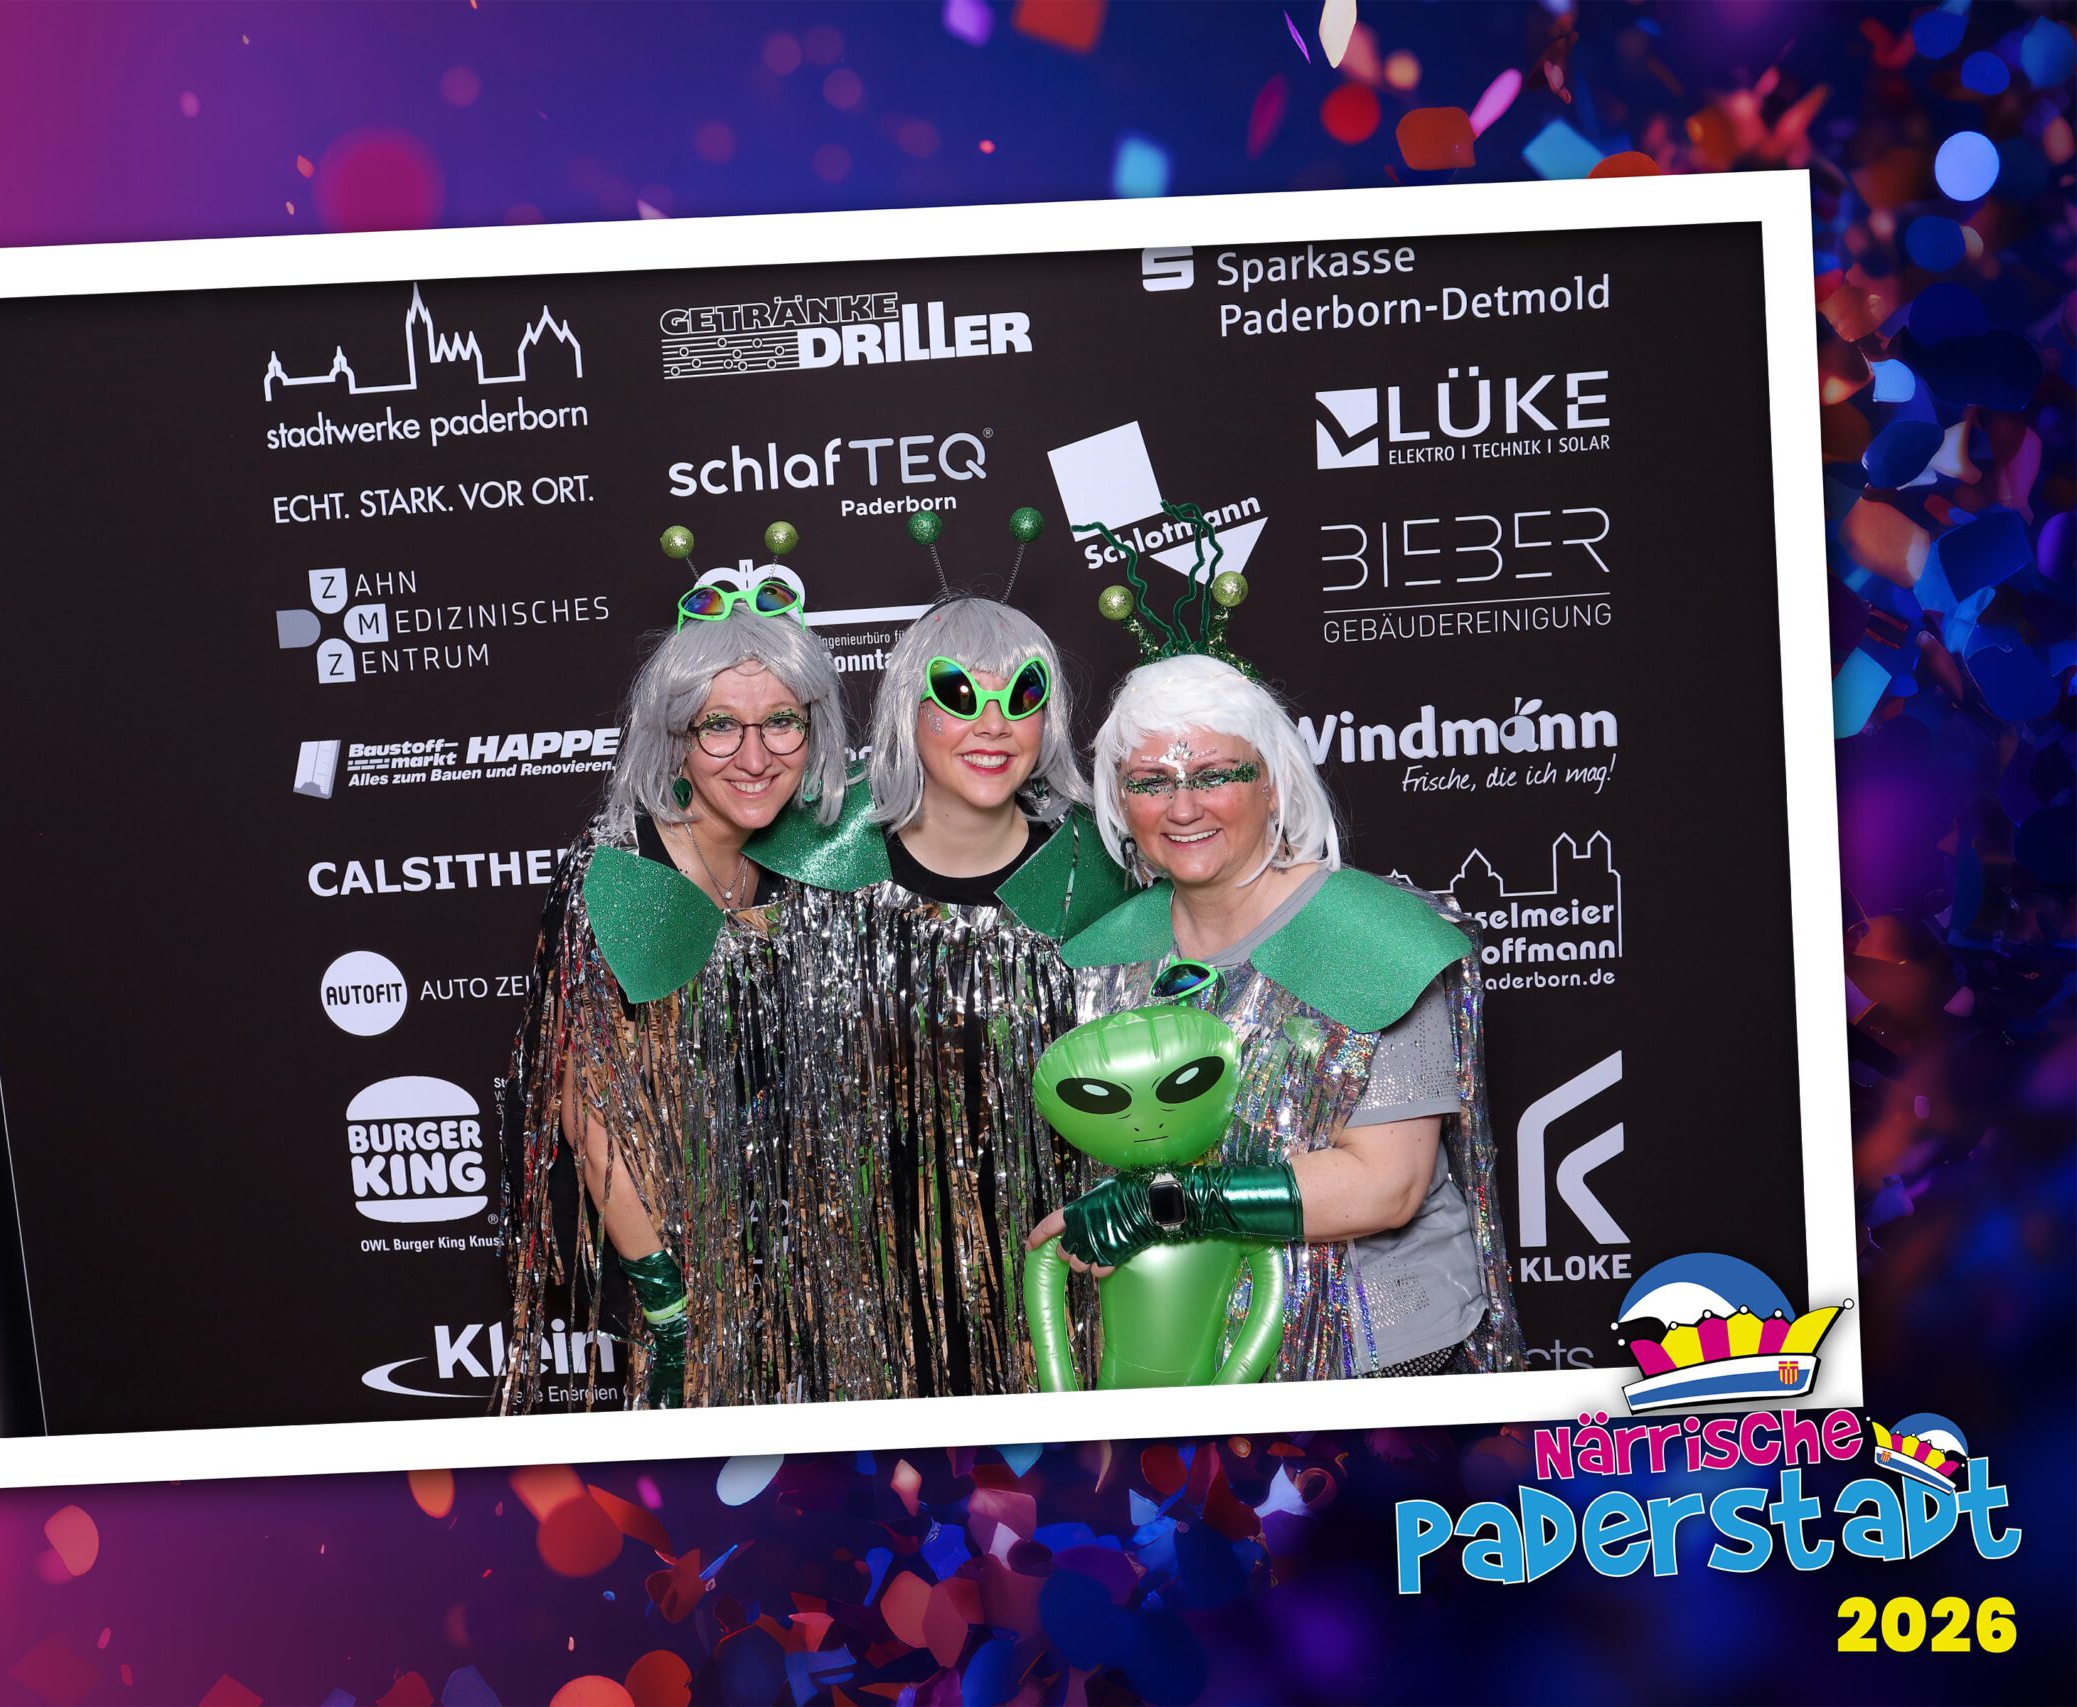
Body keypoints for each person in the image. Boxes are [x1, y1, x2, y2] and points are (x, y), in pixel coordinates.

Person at [1029, 654, 1523, 1380]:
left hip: (1374, 1359)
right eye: (1151, 781)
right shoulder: (1103, 958)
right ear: (1120, 801)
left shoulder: (1375, 939)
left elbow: (1388, 1185)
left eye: (1213, 775)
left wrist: (1166, 1205)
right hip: (1196, 1355)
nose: (1183, 808)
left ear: (1273, 784)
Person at [749, 591, 1128, 1398]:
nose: (993, 725)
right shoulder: (814, 876)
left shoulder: (1096, 880)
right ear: (907, 711)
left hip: (1055, 1294)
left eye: (1021, 696)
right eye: (959, 694)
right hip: (860, 1313)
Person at [498, 573, 848, 1411]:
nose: (755, 757)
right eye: (719, 726)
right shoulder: (623, 877)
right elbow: (587, 1109)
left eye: (781, 723)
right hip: (674, 1262)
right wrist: (667, 1297)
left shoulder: (805, 870)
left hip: (796, 1262)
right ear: (674, 735)